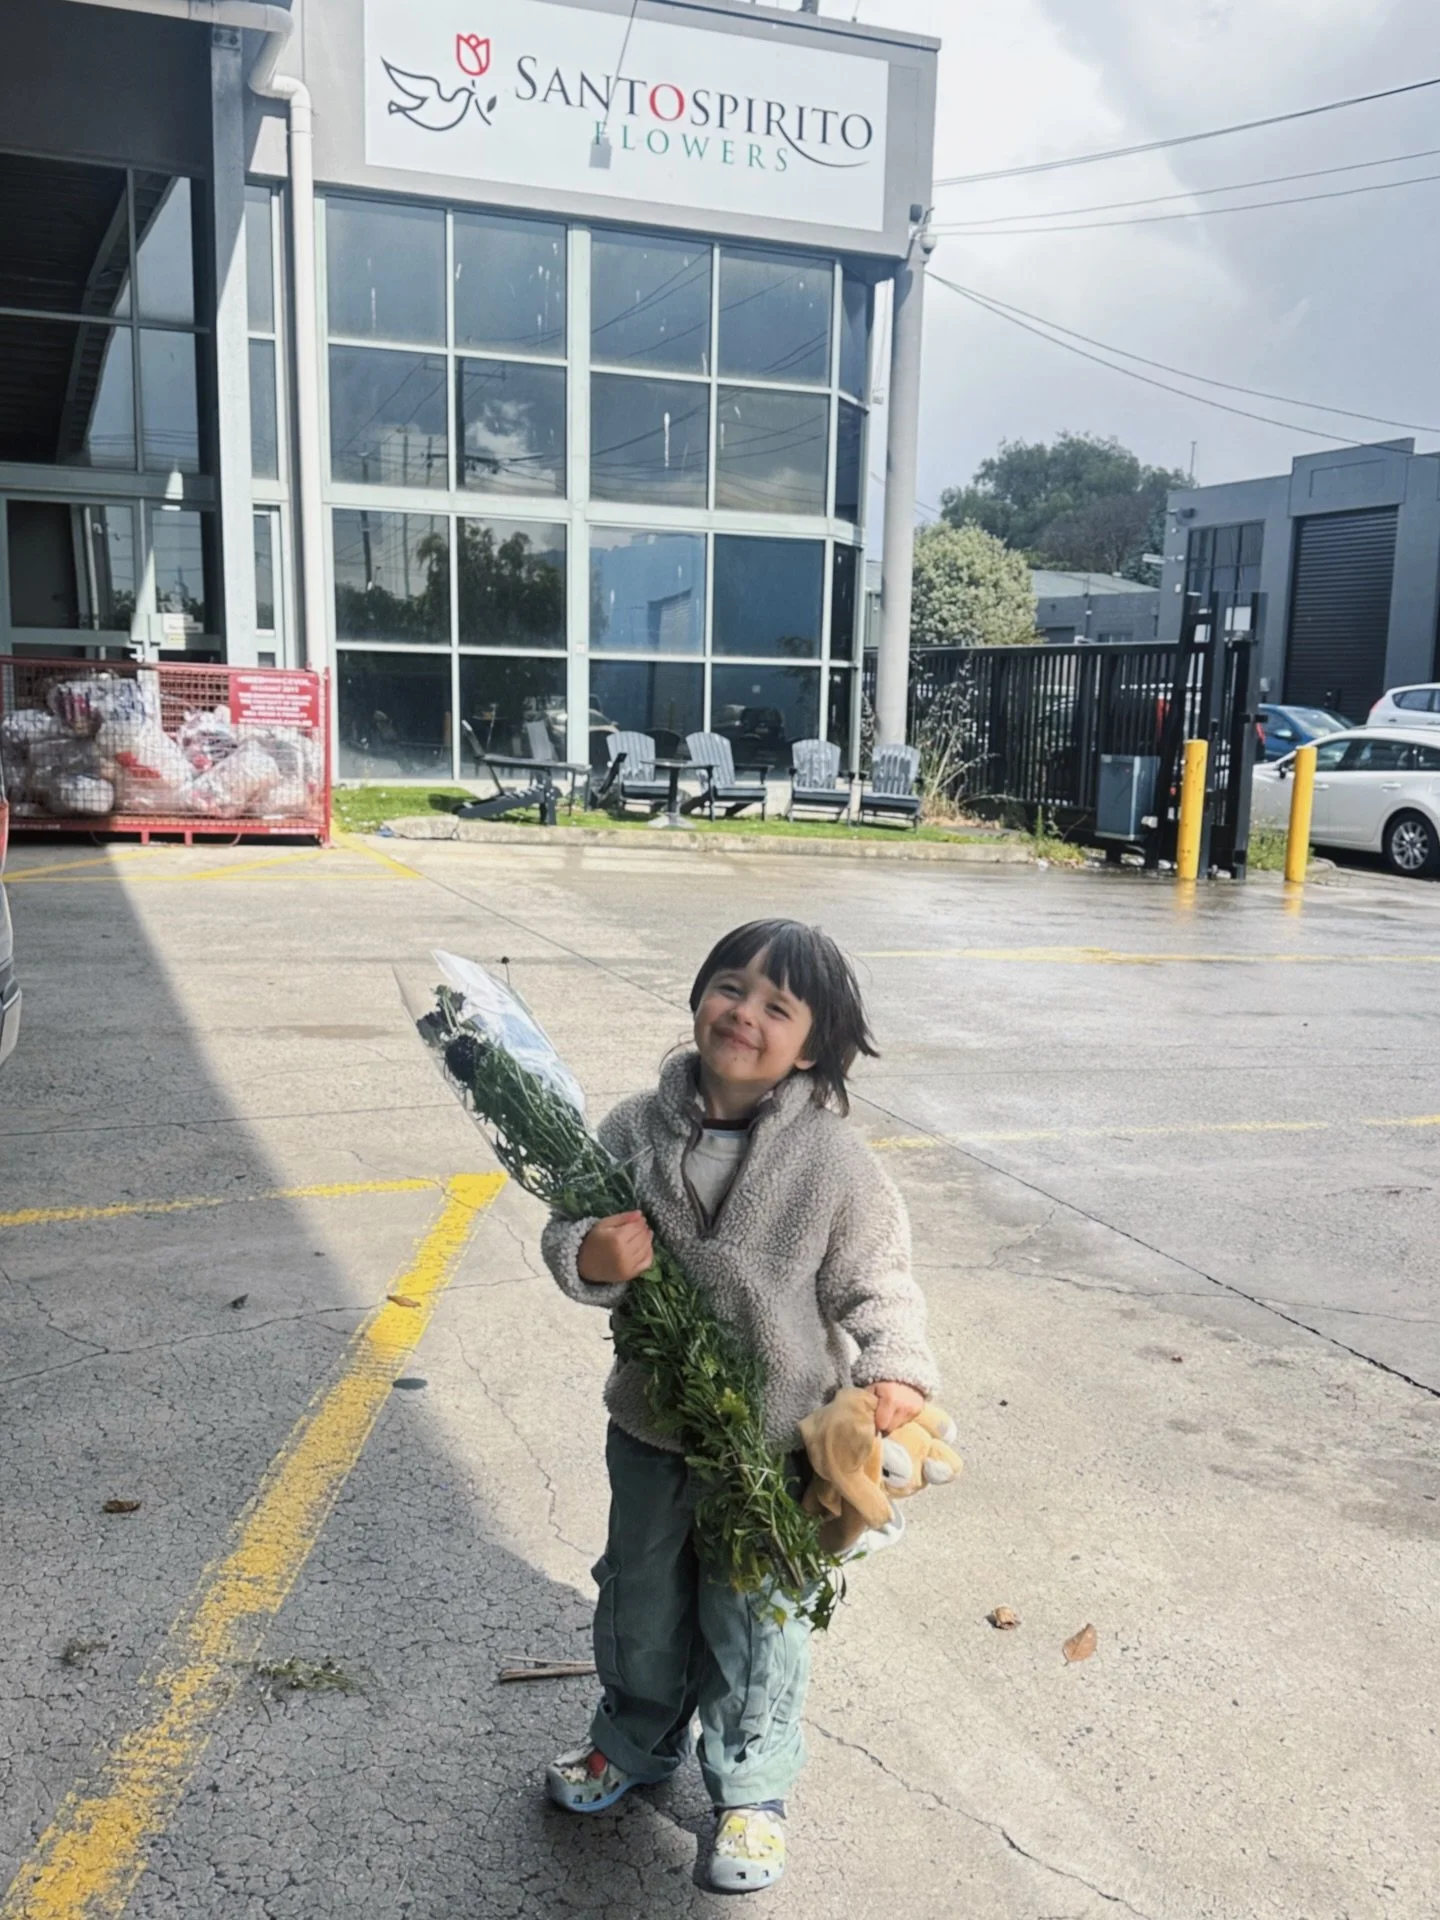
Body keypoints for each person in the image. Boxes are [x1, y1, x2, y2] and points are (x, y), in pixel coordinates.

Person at [540, 917, 938, 1893]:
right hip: (650, 1428)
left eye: (776, 1005)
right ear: (697, 998)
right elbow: (567, 1224)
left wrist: (895, 1367)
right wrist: (590, 1255)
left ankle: (752, 1789)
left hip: (771, 1444)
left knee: (757, 1622)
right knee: (640, 1600)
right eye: (729, 986)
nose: (744, 1012)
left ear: (812, 1048)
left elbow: (879, 1281)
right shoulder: (633, 1129)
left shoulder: (835, 1163)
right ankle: (633, 1741)